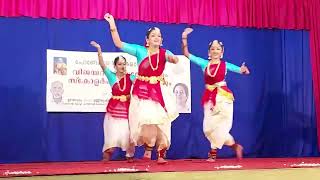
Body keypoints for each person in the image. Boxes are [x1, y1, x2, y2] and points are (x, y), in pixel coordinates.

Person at [104, 13, 179, 164]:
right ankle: (149, 147)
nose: (156, 38)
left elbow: (175, 59)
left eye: (159, 36)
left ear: (162, 40)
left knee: (162, 122)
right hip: (142, 92)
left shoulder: (165, 53)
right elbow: (118, 43)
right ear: (147, 40)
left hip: (158, 91)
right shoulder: (139, 51)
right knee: (145, 121)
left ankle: (161, 153)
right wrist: (112, 24)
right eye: (153, 35)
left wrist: (173, 59)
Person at [181, 28, 250, 162]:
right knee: (208, 127)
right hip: (209, 97)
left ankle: (212, 153)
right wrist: (184, 38)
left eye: (218, 49)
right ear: (209, 52)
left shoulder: (225, 65)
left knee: (221, 125)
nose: (215, 51)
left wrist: (243, 70)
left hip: (223, 97)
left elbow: (240, 70)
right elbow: (186, 54)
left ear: (222, 52)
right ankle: (235, 146)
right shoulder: (204, 64)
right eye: (213, 49)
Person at [90, 41, 135, 162]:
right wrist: (99, 49)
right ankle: (106, 158)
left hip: (127, 109)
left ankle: (129, 156)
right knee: (112, 134)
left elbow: (141, 83)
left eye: (124, 64)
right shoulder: (111, 76)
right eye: (120, 64)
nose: (122, 66)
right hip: (113, 111)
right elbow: (102, 64)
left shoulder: (131, 77)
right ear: (115, 66)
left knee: (128, 133)